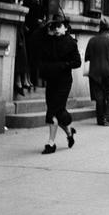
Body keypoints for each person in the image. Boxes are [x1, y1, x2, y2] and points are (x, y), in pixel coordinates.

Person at [37, 14, 81, 154]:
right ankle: (69, 133)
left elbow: (77, 62)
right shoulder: (48, 40)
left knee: (53, 111)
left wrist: (63, 65)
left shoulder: (71, 43)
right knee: (57, 111)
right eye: (54, 26)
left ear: (65, 28)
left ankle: (51, 143)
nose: (56, 29)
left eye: (59, 26)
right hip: (52, 80)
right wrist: (47, 26)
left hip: (64, 82)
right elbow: (36, 39)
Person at [85, 17, 109, 126]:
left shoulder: (92, 40)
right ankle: (108, 118)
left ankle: (100, 119)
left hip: (95, 72)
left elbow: (87, 57)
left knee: (99, 95)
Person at [23, 0, 46, 90]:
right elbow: (28, 20)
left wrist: (41, 21)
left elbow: (42, 19)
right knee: (27, 57)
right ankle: (26, 79)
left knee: (35, 58)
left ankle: (33, 79)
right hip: (29, 34)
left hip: (37, 35)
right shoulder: (26, 4)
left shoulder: (40, 6)